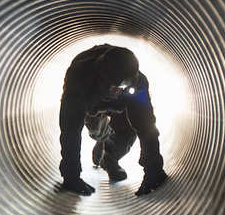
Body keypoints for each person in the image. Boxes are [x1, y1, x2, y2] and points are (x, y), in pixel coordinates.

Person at [59, 44, 168, 196]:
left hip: (122, 104)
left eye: (120, 86)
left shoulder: (138, 84)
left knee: (128, 131)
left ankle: (109, 157)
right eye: (110, 84)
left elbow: (146, 126)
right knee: (97, 131)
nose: (115, 89)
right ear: (100, 76)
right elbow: (69, 129)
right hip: (92, 101)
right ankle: (102, 139)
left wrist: (153, 171)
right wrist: (71, 176)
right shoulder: (79, 78)